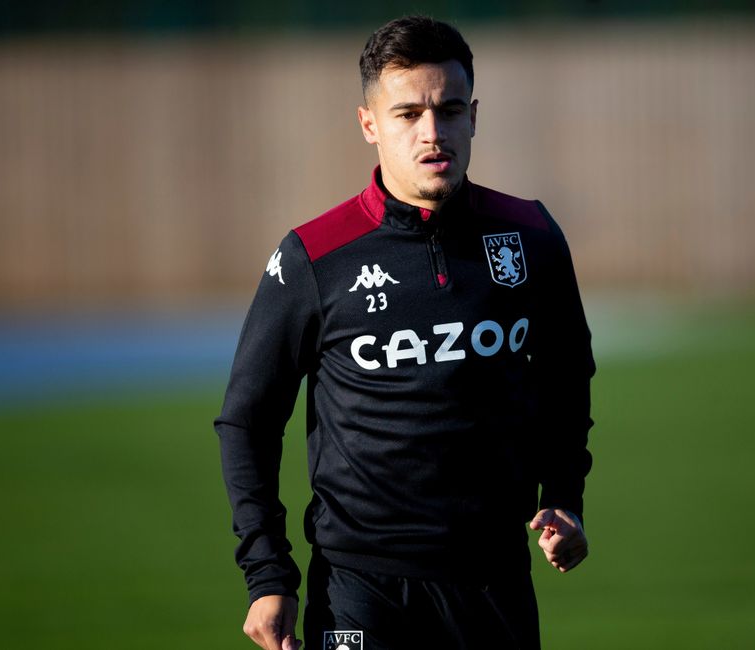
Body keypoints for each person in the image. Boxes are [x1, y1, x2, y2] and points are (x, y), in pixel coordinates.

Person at [215, 15, 594, 650]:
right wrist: (266, 573)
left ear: (474, 116)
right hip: (361, 589)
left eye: (449, 110)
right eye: (407, 114)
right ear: (369, 124)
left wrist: (565, 496)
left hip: (493, 582)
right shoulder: (315, 256)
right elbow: (247, 420)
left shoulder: (531, 237)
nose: (432, 133)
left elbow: (565, 377)